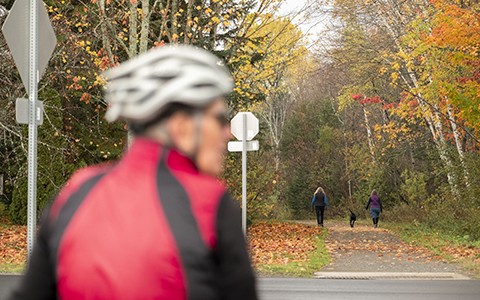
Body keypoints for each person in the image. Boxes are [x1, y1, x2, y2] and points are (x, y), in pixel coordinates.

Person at [9, 45, 257, 300]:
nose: (227, 132)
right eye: (219, 118)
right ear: (181, 127)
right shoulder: (209, 203)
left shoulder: (76, 193)